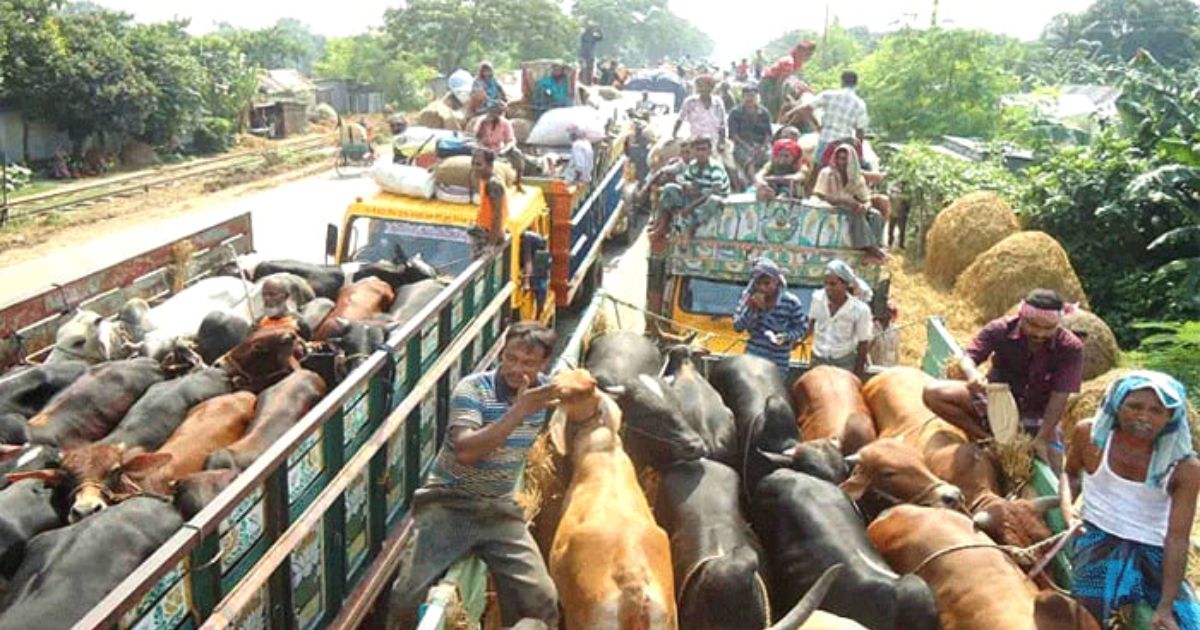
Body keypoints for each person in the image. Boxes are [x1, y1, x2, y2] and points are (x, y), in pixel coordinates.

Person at [385, 322, 563, 629]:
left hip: (498, 509)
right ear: (502, 352)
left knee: (542, 600)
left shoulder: (543, 394)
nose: (516, 369)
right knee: (405, 599)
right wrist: (518, 411)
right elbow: (466, 451)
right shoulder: (474, 389)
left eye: (528, 363)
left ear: (544, 364)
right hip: (449, 505)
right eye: (510, 358)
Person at [1061, 371, 1199, 630]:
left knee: (1190, 623)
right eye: (1135, 406)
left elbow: (1177, 538)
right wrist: (1069, 512)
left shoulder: (1184, 468)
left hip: (1154, 551)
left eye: (1157, 411)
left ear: (1170, 417)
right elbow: (1070, 475)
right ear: (1117, 404)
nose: (1144, 416)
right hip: (1098, 538)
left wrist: (1165, 606)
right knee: (1091, 615)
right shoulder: (1090, 436)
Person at [922, 289, 1085, 472]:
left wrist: (1042, 437)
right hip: (994, 402)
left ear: (1058, 324)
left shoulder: (1071, 347)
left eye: (1048, 329)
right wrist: (972, 374)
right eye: (1032, 325)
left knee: (1053, 472)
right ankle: (987, 439)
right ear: (1021, 317)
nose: (1039, 333)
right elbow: (968, 356)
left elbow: (1060, 396)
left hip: (1037, 414)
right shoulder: (999, 329)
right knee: (933, 393)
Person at [813, 144, 888, 260]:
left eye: (844, 159)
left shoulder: (856, 177)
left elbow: (866, 199)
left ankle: (876, 245)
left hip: (851, 205)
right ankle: (870, 247)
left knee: (875, 214)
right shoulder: (827, 173)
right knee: (853, 212)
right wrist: (846, 201)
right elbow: (821, 195)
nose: (841, 162)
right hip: (829, 205)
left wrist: (865, 207)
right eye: (839, 158)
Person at [733, 258, 807, 372]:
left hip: (778, 362)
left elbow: (801, 328)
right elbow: (738, 327)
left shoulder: (791, 302)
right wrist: (752, 309)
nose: (762, 287)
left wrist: (786, 337)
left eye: (767, 283)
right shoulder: (747, 298)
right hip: (753, 358)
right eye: (758, 283)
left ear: (776, 281)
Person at [806, 260, 874, 378]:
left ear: (845, 285)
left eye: (833, 284)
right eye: (825, 283)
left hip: (844, 363)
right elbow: (809, 326)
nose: (827, 288)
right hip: (818, 360)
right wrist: (790, 340)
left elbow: (863, 344)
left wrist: (857, 375)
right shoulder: (817, 299)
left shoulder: (860, 310)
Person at [656, 135, 730, 236]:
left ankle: (693, 225)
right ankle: (664, 224)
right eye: (698, 150)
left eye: (703, 149)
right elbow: (686, 182)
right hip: (696, 196)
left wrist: (691, 206)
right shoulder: (693, 166)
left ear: (709, 151)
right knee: (669, 188)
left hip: (712, 200)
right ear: (694, 151)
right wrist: (686, 186)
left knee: (714, 199)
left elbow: (715, 191)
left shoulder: (715, 168)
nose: (701, 153)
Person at [802, 71, 870, 167]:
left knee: (817, 168)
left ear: (842, 81)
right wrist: (859, 154)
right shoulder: (860, 103)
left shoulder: (828, 95)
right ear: (856, 84)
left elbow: (806, 109)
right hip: (844, 143)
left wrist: (817, 127)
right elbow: (860, 131)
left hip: (825, 139)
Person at [728, 83, 774, 190]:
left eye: (752, 96)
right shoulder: (735, 113)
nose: (750, 99)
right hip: (743, 144)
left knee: (771, 157)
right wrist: (748, 147)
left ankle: (770, 183)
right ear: (742, 97)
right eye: (747, 96)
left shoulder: (764, 112)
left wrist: (763, 147)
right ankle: (755, 184)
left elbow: (768, 134)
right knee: (749, 158)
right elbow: (734, 135)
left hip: (761, 144)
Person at [472, 100, 525, 187]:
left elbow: (511, 141)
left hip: (499, 150)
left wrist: (504, 150)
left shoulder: (505, 123)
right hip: (483, 149)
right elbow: (476, 139)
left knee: (517, 153)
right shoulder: (481, 121)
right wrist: (484, 149)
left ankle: (518, 181)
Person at [761, 41, 816, 120]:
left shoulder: (798, 64)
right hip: (770, 83)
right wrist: (780, 99)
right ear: (799, 52)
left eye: (810, 55)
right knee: (772, 108)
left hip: (778, 83)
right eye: (806, 54)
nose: (808, 57)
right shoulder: (789, 61)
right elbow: (781, 82)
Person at [469, 148, 508, 254]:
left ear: (490, 165)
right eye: (473, 164)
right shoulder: (484, 179)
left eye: (479, 164)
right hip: (483, 229)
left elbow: (497, 215)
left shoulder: (493, 185)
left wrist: (491, 244)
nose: (474, 168)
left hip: (488, 234)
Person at [674, 75, 726, 143]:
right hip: (696, 140)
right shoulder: (690, 102)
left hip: (714, 140)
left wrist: (722, 140)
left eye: (705, 86)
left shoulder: (718, 102)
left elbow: (722, 123)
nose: (702, 89)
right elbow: (680, 119)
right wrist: (674, 134)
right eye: (699, 86)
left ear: (711, 87)